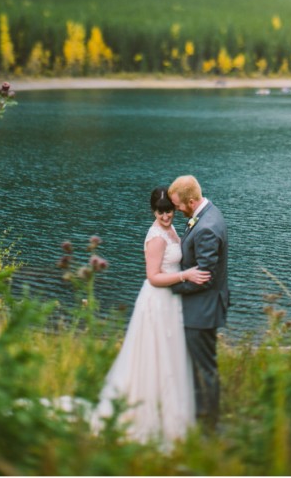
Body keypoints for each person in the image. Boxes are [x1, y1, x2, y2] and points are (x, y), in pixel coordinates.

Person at [93, 187, 210, 446]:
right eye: (161, 212)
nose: (167, 216)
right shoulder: (157, 237)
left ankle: (171, 414)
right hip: (157, 301)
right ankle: (148, 416)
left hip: (171, 301)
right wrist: (185, 275)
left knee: (171, 355)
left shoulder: (171, 230)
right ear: (153, 211)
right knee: (155, 355)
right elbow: (154, 277)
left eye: (169, 210)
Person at [168, 175, 230, 431]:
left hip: (202, 309)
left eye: (179, 206)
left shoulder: (206, 228)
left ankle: (209, 425)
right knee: (200, 365)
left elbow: (204, 277)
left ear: (191, 202)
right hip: (202, 306)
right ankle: (202, 416)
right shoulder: (208, 214)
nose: (176, 210)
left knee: (204, 367)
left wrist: (171, 285)